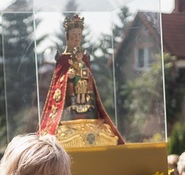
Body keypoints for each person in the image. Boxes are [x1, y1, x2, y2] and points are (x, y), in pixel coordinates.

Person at [39, 14, 124, 147]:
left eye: (79, 34)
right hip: (68, 106)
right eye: (73, 34)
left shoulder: (84, 57)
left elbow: (89, 78)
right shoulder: (63, 59)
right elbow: (59, 85)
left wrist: (85, 77)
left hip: (85, 97)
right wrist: (70, 78)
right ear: (67, 35)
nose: (76, 37)